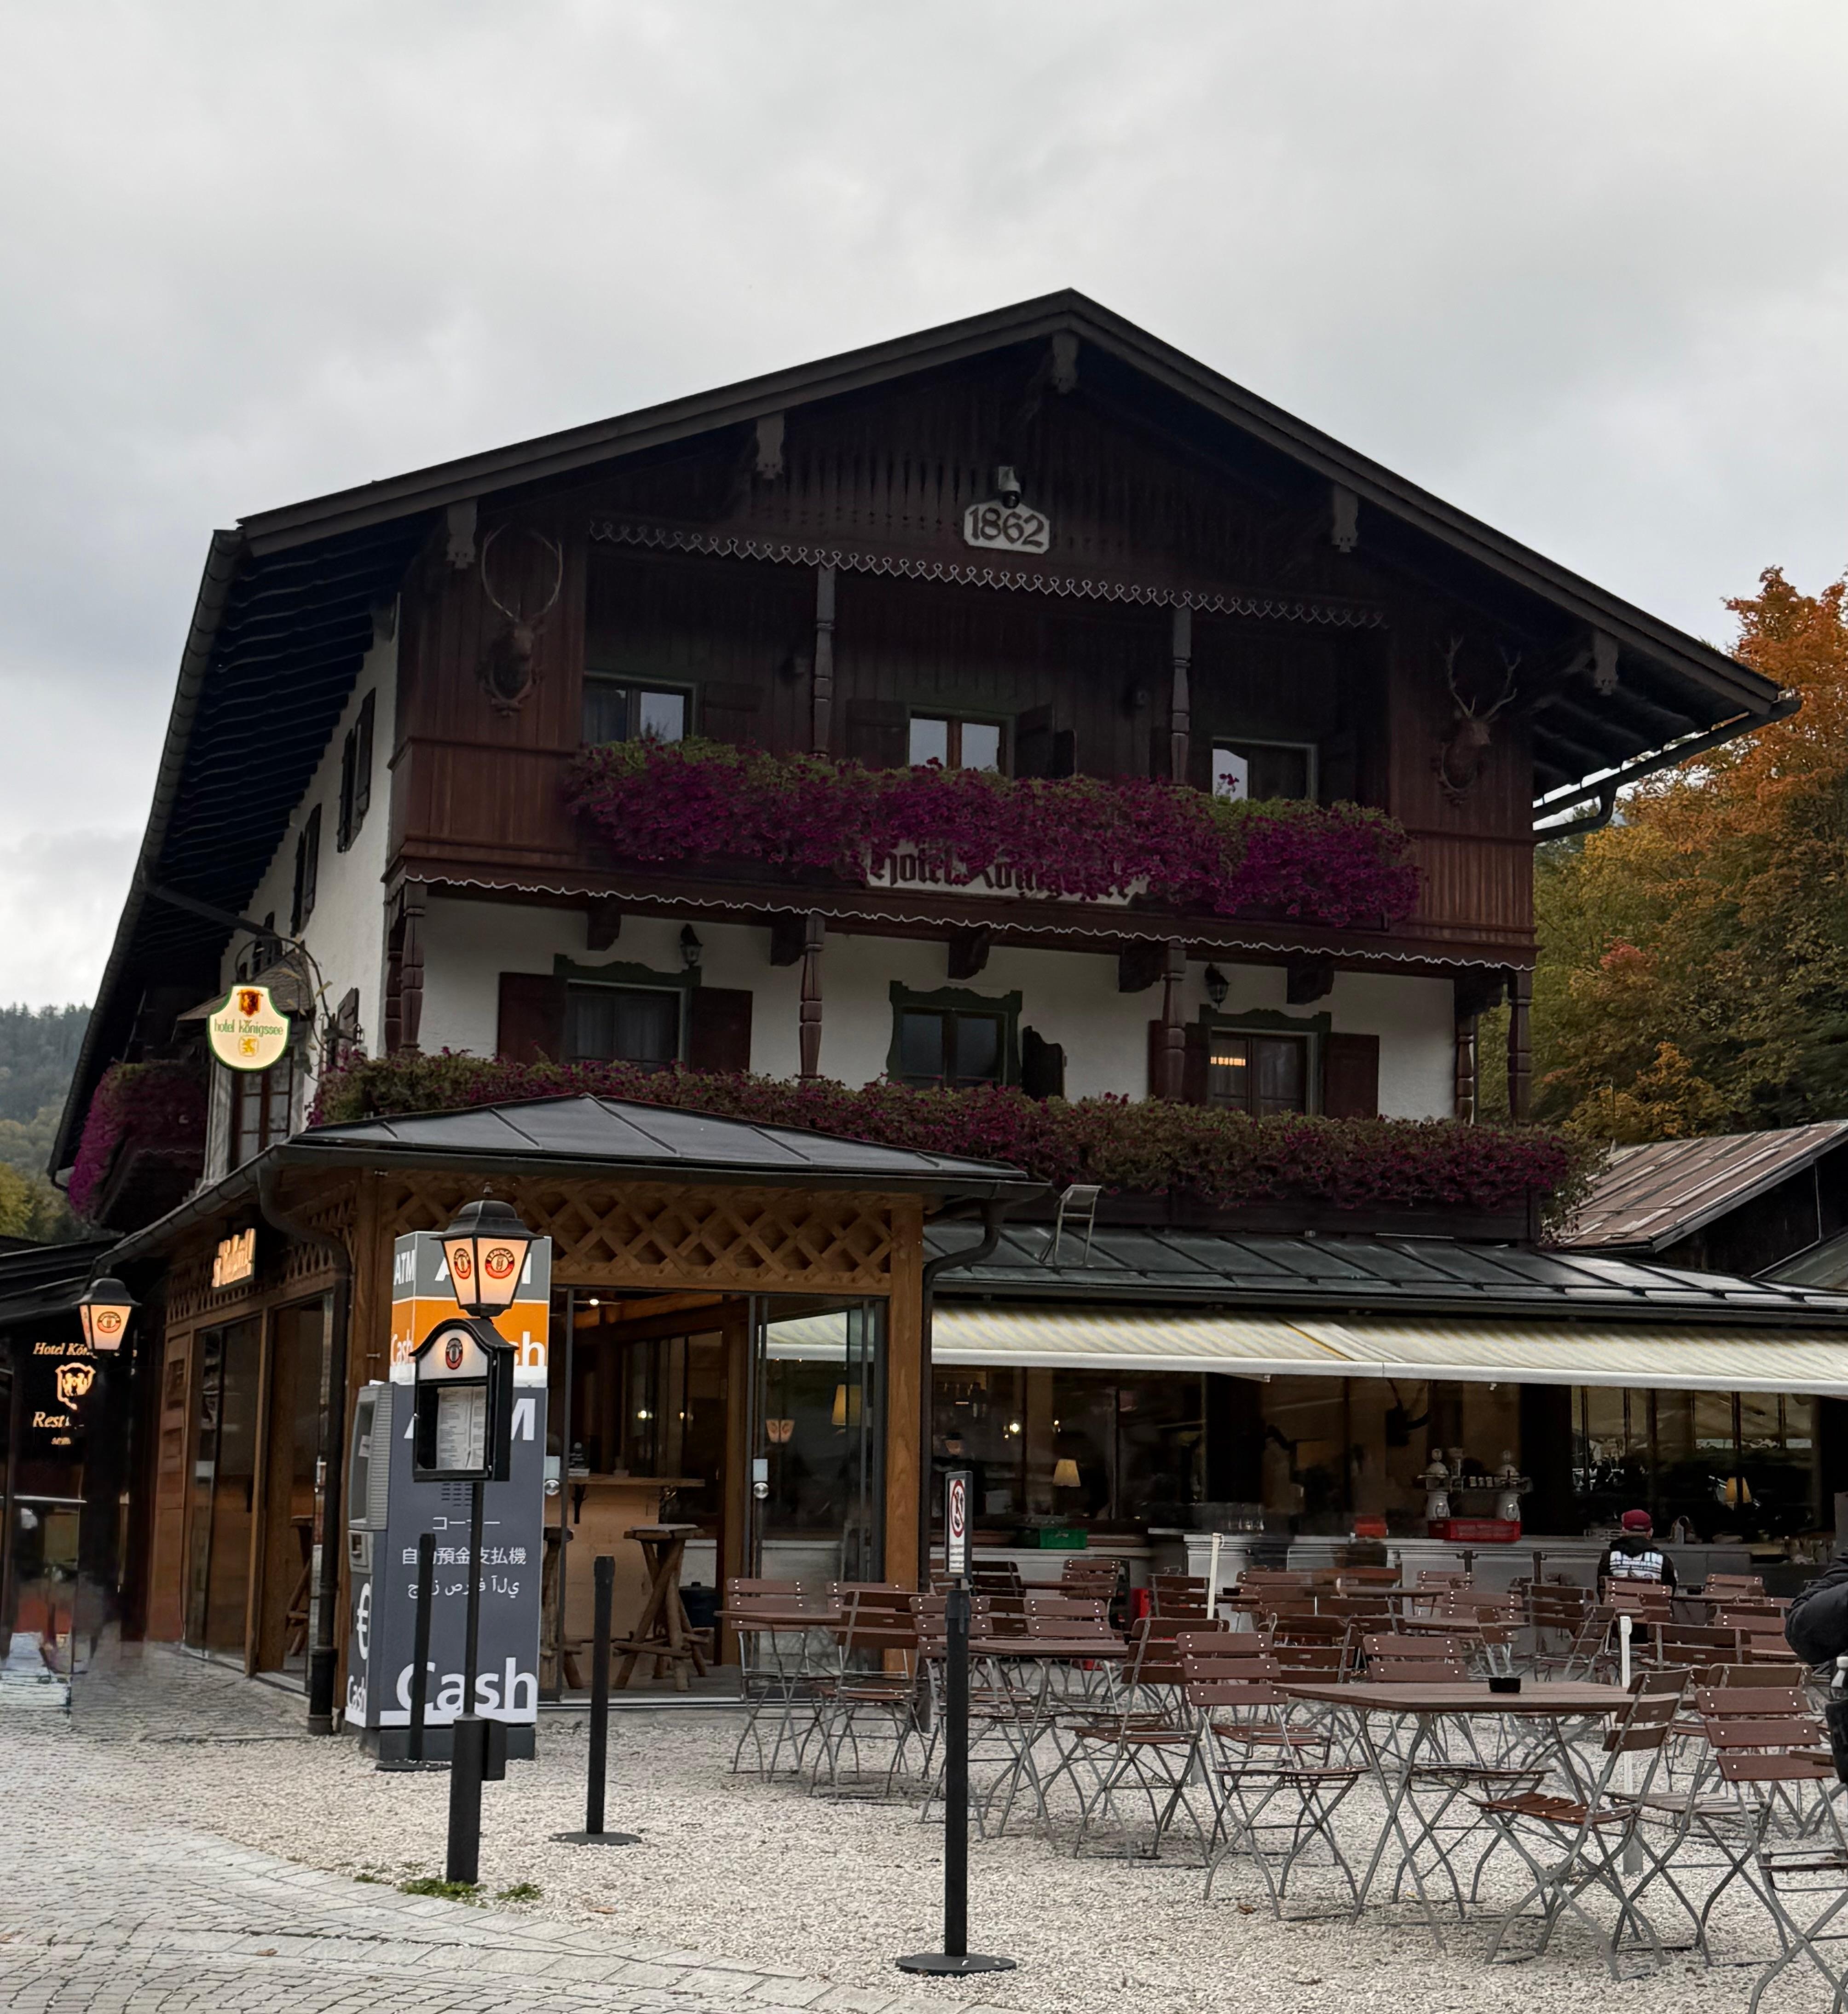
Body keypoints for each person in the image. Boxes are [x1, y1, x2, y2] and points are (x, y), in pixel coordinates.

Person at [1597, 1509, 1677, 1591]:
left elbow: (1602, 1590)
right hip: (1651, 1600)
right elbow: (1670, 1591)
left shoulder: (1610, 1558)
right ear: (1650, 1533)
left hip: (1617, 1600)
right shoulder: (1662, 1560)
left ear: (1624, 1531)